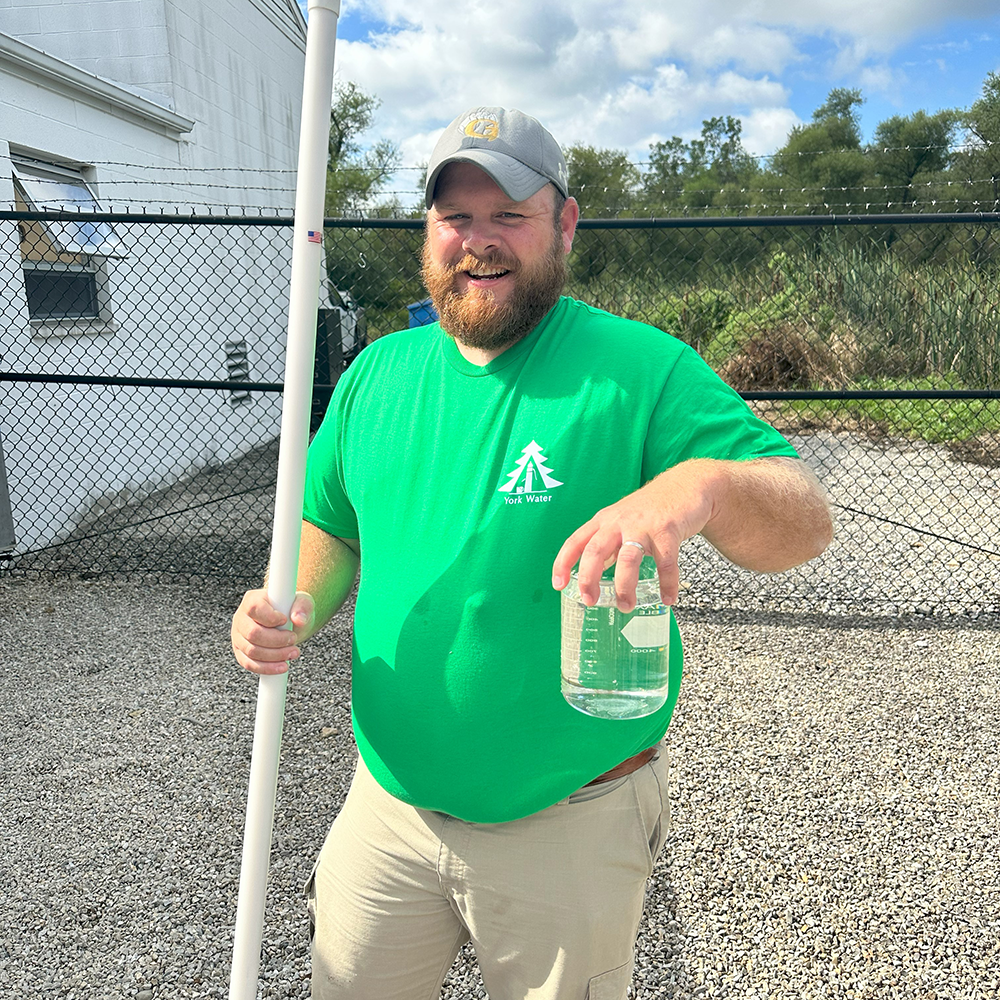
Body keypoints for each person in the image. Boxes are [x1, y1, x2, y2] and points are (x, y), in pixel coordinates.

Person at [231, 106, 834, 1000]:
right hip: (388, 803)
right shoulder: (376, 375)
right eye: (455, 217)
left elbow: (806, 523)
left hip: (572, 818)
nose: (478, 242)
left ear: (565, 222)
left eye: (508, 213)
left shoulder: (638, 370)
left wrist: (701, 485)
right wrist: (294, 606)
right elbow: (331, 526)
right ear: (428, 231)